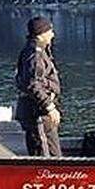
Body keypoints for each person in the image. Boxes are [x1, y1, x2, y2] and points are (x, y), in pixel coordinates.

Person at [15, 16, 62, 157]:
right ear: (42, 33)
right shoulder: (35, 54)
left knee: (50, 149)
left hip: (38, 110)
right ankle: (49, 177)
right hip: (38, 112)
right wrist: (49, 107)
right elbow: (33, 83)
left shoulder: (37, 50)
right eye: (50, 31)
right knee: (46, 152)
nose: (53, 34)